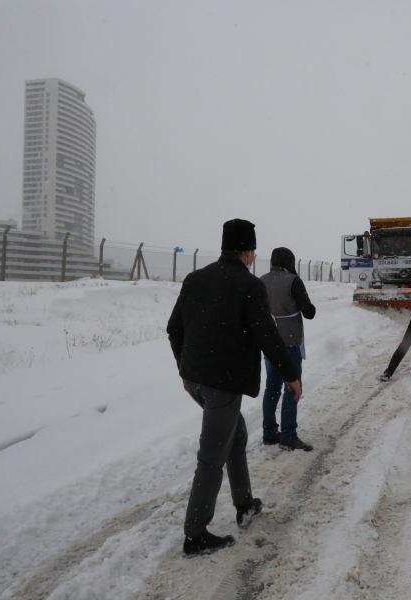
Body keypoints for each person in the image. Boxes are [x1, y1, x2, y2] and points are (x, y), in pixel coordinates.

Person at [167, 219, 302, 557]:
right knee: (211, 456)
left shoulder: (196, 278)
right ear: (248, 251)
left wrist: (183, 369)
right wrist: (290, 375)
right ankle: (195, 535)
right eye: (253, 250)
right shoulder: (248, 284)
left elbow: (174, 328)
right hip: (221, 384)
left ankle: (244, 504)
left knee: (236, 436)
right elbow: (267, 336)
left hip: (196, 381)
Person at [259, 248, 316, 451]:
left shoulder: (261, 280)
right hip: (289, 342)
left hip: (269, 342)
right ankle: (289, 435)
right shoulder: (293, 280)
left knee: (271, 388)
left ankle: (269, 432)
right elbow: (308, 312)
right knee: (292, 387)